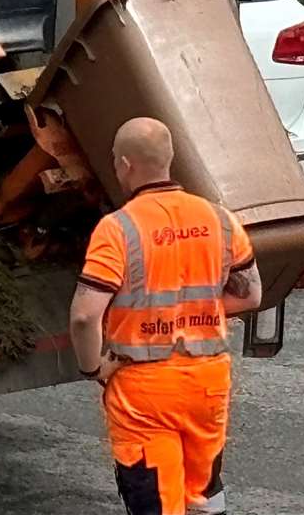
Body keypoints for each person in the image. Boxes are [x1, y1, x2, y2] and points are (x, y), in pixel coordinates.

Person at [70, 117, 263, 515]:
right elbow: (252, 294)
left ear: (125, 165)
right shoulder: (219, 219)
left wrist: (94, 369)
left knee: (157, 503)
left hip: (145, 393)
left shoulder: (118, 229)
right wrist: (189, 315)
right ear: (170, 159)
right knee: (202, 495)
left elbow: (85, 317)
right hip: (208, 385)